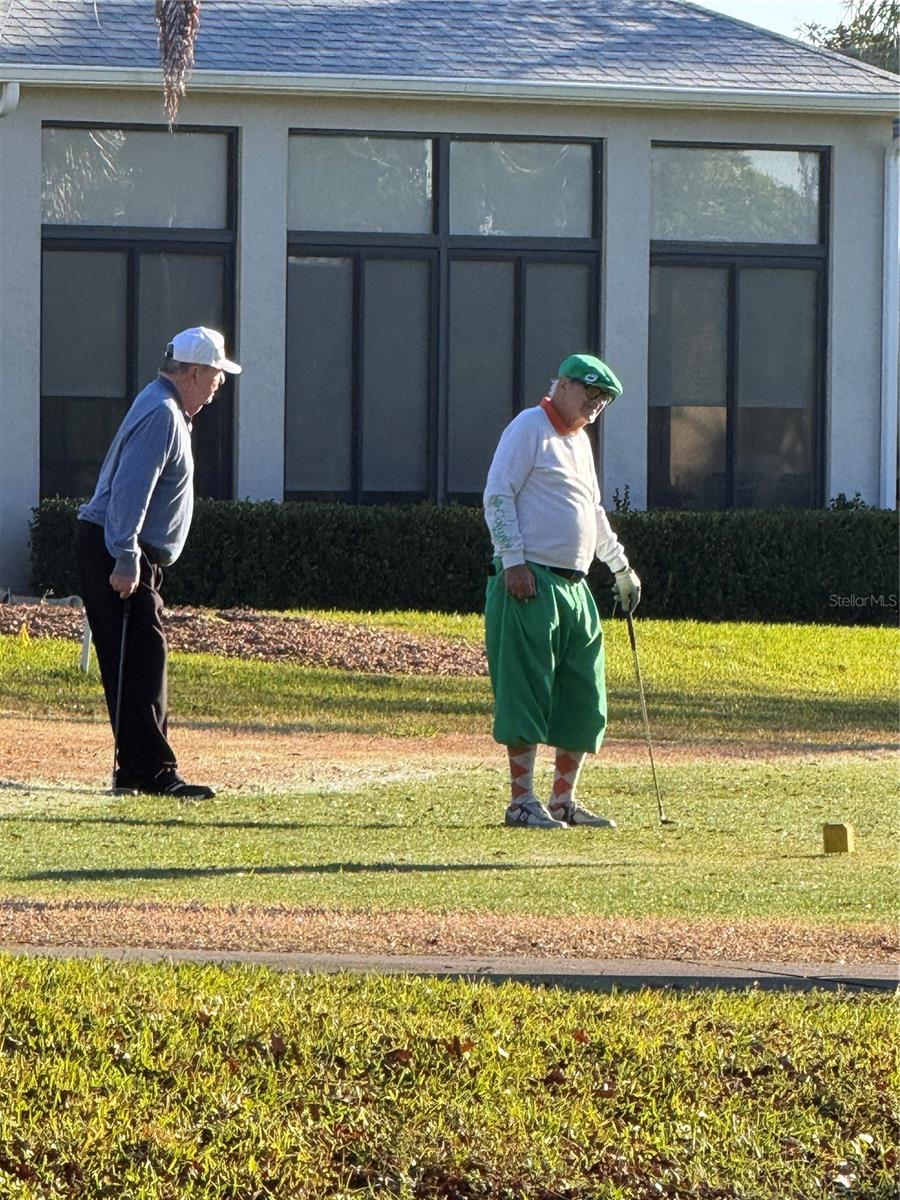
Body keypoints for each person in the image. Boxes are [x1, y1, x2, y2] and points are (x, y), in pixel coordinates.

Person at [75, 327, 241, 799]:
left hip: (119, 547)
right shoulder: (163, 413)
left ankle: (136, 769)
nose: (218, 386)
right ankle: (155, 772)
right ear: (191, 373)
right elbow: (131, 489)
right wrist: (126, 556)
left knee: (133, 662)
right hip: (119, 549)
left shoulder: (162, 405)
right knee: (144, 660)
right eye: (215, 376)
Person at [483, 353, 641, 829]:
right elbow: (498, 495)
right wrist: (512, 560)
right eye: (592, 394)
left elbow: (592, 512)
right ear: (565, 386)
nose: (597, 405)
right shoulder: (529, 427)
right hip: (530, 579)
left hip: (575, 586)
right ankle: (520, 801)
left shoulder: (580, 443)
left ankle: (562, 801)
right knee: (526, 689)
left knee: (583, 693)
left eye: (604, 400)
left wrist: (620, 567)